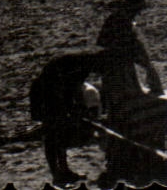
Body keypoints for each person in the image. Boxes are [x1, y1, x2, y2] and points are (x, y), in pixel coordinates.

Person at [95, 0, 167, 148]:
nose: (138, 13)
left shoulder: (121, 20)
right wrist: (146, 65)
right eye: (138, 9)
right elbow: (120, 46)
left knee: (120, 103)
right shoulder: (121, 21)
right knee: (123, 102)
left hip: (118, 67)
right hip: (117, 68)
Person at [30, 50, 110, 183]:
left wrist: (75, 110)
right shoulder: (81, 65)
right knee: (52, 134)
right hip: (45, 93)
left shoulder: (83, 63)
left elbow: (72, 90)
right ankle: (57, 174)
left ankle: (64, 171)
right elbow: (68, 89)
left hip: (52, 93)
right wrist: (72, 110)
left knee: (59, 134)